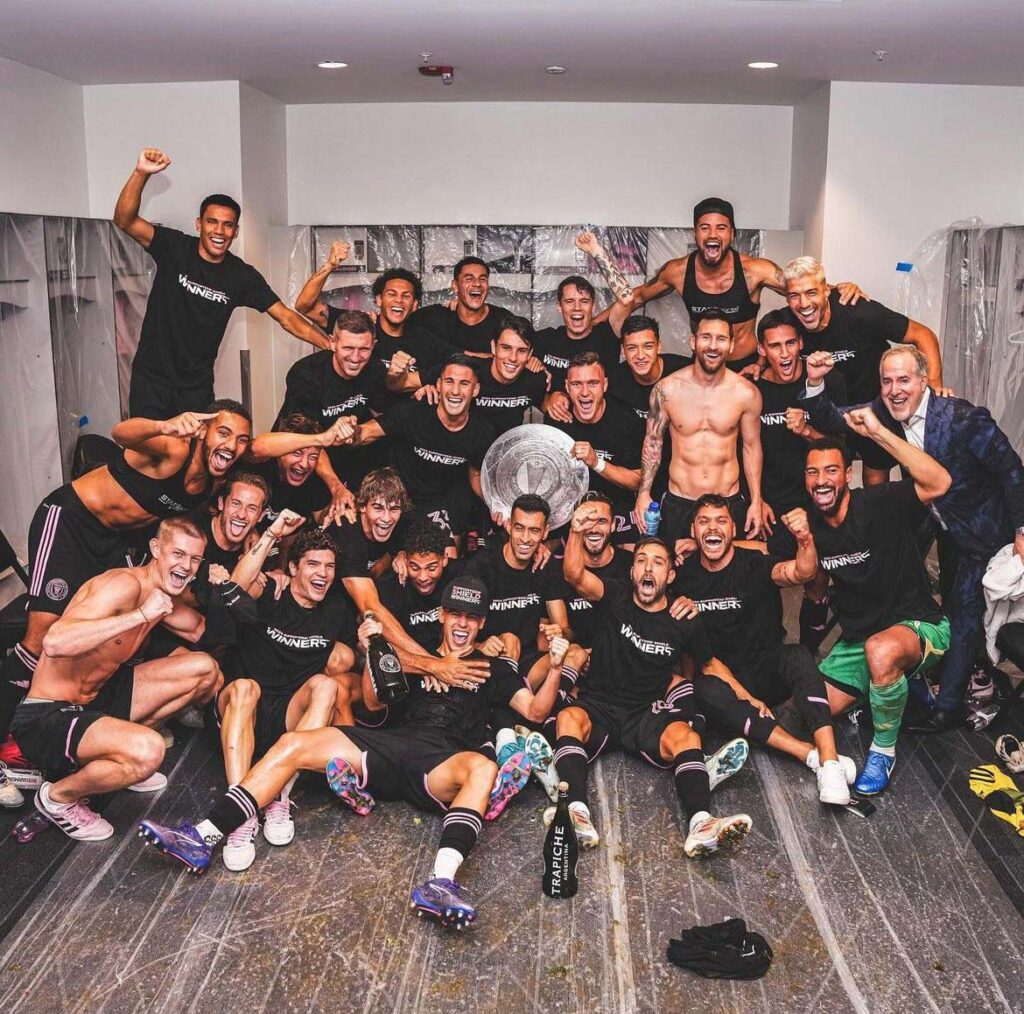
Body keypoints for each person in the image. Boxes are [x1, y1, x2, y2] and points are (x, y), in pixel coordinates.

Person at [137, 576, 567, 931]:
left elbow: (535, 710)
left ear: (481, 623)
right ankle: (204, 836)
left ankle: (441, 882)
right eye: (456, 613)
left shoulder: (495, 667)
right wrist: (371, 651)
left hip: (440, 760)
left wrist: (556, 665)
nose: (462, 624)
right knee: (293, 744)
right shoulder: (414, 652)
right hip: (387, 747)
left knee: (482, 767)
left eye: (472, 618)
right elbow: (373, 704)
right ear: (443, 614)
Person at [0, 402, 250, 750]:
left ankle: (91, 731)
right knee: (41, 636)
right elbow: (121, 433)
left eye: (241, 440)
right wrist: (166, 425)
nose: (231, 445)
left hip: (116, 541)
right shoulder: (176, 448)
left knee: (130, 627)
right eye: (223, 433)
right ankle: (7, 740)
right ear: (204, 432)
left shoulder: (210, 483)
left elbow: (267, 446)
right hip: (72, 522)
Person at [802, 344, 1024, 732]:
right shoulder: (886, 412)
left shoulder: (962, 419)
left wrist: (1022, 531)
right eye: (887, 381)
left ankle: (948, 708)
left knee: (965, 613)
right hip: (945, 528)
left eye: (904, 380)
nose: (894, 389)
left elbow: (1011, 471)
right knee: (949, 605)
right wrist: (815, 383)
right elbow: (838, 419)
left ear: (925, 381)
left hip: (987, 535)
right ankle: (931, 673)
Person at [555, 505, 752, 857]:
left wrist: (744, 695)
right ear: (632, 572)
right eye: (641, 560)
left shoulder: (684, 618)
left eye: (658, 562)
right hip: (598, 704)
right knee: (569, 718)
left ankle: (701, 823)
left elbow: (706, 664)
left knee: (686, 736)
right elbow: (573, 574)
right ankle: (575, 812)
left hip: (644, 712)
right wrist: (575, 530)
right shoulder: (613, 595)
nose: (648, 568)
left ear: (671, 576)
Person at [9, 517, 223, 840]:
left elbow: (203, 631)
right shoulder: (123, 585)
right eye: (178, 554)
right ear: (155, 549)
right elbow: (54, 642)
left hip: (98, 698)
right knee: (151, 751)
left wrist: (234, 584)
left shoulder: (161, 592)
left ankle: (118, 758)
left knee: (204, 668)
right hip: (49, 715)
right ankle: (58, 798)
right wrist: (139, 616)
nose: (186, 565)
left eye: (195, 559)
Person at [114, 148, 332, 417]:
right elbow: (125, 220)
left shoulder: (241, 276)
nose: (219, 231)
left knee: (194, 455)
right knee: (149, 453)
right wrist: (141, 173)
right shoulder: (175, 248)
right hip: (151, 378)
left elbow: (286, 316)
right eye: (212, 222)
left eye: (228, 225)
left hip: (195, 386)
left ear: (236, 231)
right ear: (199, 224)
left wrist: (329, 345)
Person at [674, 495, 856, 805]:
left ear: (733, 529)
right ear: (693, 530)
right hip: (723, 680)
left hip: (765, 668)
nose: (712, 528)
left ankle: (829, 762)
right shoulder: (684, 578)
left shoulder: (755, 563)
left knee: (798, 656)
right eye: (704, 522)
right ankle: (809, 755)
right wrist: (744, 695)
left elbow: (801, 572)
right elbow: (703, 660)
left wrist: (805, 539)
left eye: (720, 521)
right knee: (702, 689)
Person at [804, 427, 951, 795]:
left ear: (848, 475)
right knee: (817, 704)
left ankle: (883, 751)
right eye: (813, 472)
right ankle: (904, 684)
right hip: (862, 638)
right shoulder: (811, 526)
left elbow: (939, 481)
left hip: (920, 624)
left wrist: (879, 433)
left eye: (831, 470)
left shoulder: (876, 502)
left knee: (881, 651)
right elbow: (810, 586)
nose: (822, 480)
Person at [214, 520, 357, 871]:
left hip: (289, 717)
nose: (322, 573)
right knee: (246, 687)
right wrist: (272, 533)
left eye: (329, 566)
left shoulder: (336, 609)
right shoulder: (271, 593)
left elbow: (350, 659)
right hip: (242, 708)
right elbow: (237, 584)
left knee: (327, 685)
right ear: (292, 568)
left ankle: (278, 793)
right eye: (312, 564)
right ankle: (241, 813)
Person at [580, 201, 865, 370]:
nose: (712, 234)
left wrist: (841, 288)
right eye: (705, 227)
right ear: (696, 233)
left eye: (721, 228)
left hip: (748, 366)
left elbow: (802, 288)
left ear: (732, 233)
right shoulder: (678, 272)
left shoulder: (755, 270)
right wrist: (593, 323)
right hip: (703, 367)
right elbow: (635, 297)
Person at [784, 256, 948, 485]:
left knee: (918, 480)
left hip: (884, 406)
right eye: (794, 296)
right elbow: (770, 344)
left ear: (825, 291)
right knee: (867, 485)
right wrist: (758, 364)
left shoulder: (859, 312)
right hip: (839, 413)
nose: (803, 304)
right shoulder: (788, 322)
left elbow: (923, 336)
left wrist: (933, 388)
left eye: (811, 293)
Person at [634, 310, 767, 544]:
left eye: (721, 339)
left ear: (732, 344)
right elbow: (653, 442)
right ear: (693, 341)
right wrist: (643, 493)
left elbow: (751, 447)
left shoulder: (746, 393)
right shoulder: (666, 390)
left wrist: (756, 500)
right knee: (677, 574)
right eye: (706, 337)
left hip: (727, 503)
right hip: (680, 502)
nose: (713, 346)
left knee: (729, 576)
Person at [353, 355, 496, 539]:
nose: (455, 391)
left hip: (440, 504)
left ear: (475, 389)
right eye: (449, 381)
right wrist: (341, 430)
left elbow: (476, 474)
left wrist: (498, 507)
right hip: (400, 500)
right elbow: (365, 433)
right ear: (438, 384)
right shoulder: (414, 412)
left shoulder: (482, 431)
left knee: (447, 556)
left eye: (464, 384)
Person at [279, 309, 418, 497]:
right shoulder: (306, 375)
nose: (355, 358)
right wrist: (337, 488)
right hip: (306, 455)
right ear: (333, 343)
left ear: (373, 346)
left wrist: (420, 391)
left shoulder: (374, 368)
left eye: (364, 349)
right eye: (348, 348)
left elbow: (389, 411)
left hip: (348, 452)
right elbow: (305, 441)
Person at [461, 495, 571, 677]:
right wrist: (479, 646)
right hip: (489, 659)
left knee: (574, 652)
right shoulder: (481, 567)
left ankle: (530, 697)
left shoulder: (547, 566)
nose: (525, 538)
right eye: (520, 528)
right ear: (509, 526)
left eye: (534, 530)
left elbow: (564, 628)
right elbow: (453, 628)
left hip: (531, 662)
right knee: (510, 641)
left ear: (545, 533)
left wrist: (557, 633)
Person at [545, 352, 645, 543]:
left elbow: (636, 481)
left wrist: (596, 463)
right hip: (569, 505)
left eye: (593, 383)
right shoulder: (558, 417)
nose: (584, 392)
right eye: (576, 384)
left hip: (617, 504)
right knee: (541, 553)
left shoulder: (627, 421)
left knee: (630, 555)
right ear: (567, 387)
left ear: (605, 385)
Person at [418, 316, 549, 436]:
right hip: (463, 451)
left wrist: (557, 396)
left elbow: (551, 408)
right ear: (493, 347)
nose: (513, 358)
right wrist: (424, 391)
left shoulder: (534, 380)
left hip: (504, 454)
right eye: (506, 348)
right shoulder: (470, 371)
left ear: (530, 353)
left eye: (522, 351)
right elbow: (405, 383)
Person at [533, 272, 621, 406]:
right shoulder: (545, 339)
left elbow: (629, 300)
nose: (577, 308)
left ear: (594, 306)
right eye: (569, 301)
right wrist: (529, 361)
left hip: (600, 422)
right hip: (557, 424)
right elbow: (510, 357)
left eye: (584, 301)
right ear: (559, 306)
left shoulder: (607, 336)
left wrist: (596, 251)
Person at [376, 518, 456, 652]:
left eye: (431, 568)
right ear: (405, 560)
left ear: (445, 559)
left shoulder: (459, 577)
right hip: (406, 663)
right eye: (415, 567)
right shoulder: (390, 585)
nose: (422, 577)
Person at [406, 257, 512, 357]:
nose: (477, 284)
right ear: (455, 286)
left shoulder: (504, 320)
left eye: (483, 279)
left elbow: (525, 346)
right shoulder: (433, 316)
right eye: (469, 279)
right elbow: (402, 328)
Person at [608, 315, 689, 421]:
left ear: (659, 346)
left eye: (648, 346)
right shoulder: (614, 381)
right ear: (623, 350)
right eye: (632, 348)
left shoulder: (684, 371)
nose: (640, 356)